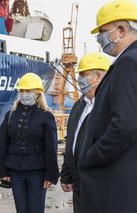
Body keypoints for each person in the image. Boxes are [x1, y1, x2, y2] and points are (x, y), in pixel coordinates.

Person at [77, 0, 137, 212]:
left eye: (103, 31)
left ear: (121, 30)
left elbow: (124, 124)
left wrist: (91, 156)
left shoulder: (128, 62)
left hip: (115, 181)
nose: (99, 38)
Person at [0, 72, 59, 213]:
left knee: (36, 209)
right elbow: (2, 144)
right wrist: (2, 171)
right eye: (21, 91)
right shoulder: (11, 114)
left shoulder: (46, 116)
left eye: (28, 91)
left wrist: (51, 174)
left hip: (37, 172)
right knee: (21, 209)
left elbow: (51, 148)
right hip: (15, 172)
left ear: (37, 93)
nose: (23, 94)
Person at [60, 52, 110, 213]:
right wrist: (67, 174)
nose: (80, 79)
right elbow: (71, 142)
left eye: (84, 75)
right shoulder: (78, 106)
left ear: (98, 77)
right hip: (78, 183)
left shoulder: (111, 106)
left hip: (101, 184)